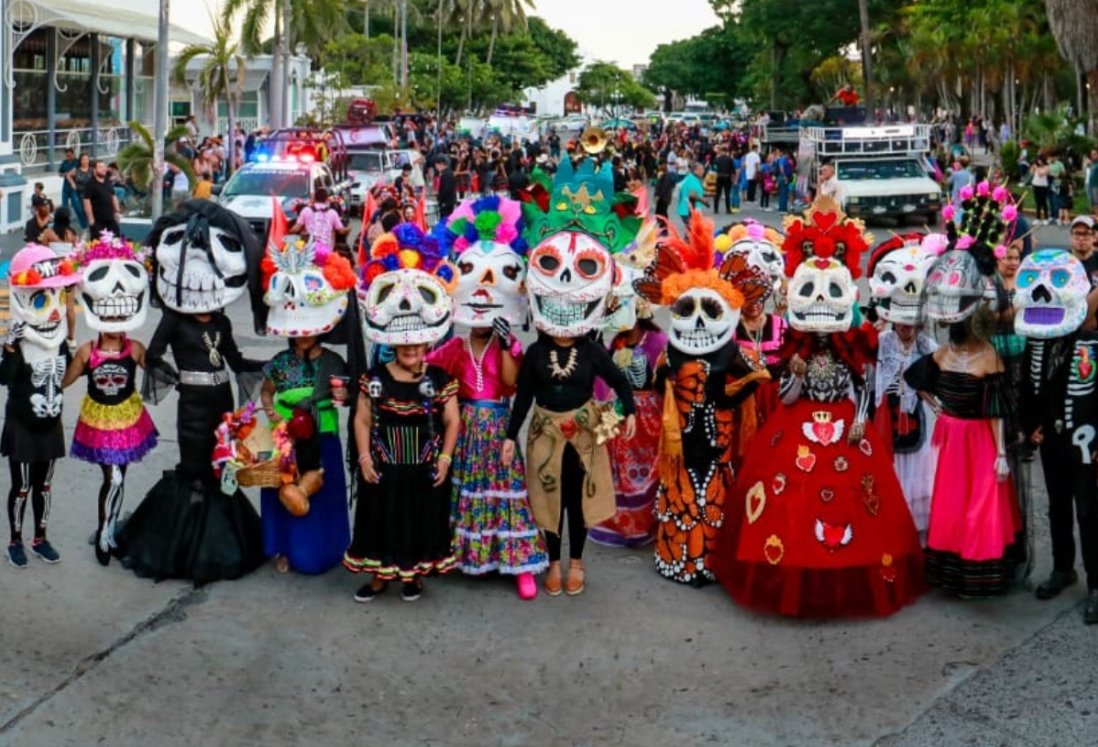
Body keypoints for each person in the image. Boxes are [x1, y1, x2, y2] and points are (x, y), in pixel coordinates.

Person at [712, 196, 925, 617]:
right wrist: (793, 370)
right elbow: (789, 395)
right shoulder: (797, 348)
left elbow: (862, 386)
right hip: (797, 424)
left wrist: (862, 420)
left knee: (858, 508)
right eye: (810, 289)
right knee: (786, 505)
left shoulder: (851, 346)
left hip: (847, 428)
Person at [116, 201, 267, 584]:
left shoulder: (222, 320)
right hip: (193, 408)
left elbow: (233, 360)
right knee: (195, 471)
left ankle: (219, 545)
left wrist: (264, 368)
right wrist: (178, 379)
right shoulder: (173, 318)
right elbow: (151, 356)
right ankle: (187, 551)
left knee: (221, 468)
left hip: (222, 404)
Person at [906, 186, 1023, 597]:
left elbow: (996, 412)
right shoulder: (941, 355)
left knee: (981, 504)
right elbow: (915, 380)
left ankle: (981, 572)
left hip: (979, 442)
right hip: (952, 438)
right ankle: (951, 573)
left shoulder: (988, 357)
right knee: (953, 505)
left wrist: (1003, 455)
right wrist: (937, 408)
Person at [430, 197, 548, 598]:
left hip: (499, 427)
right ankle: (469, 556)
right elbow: (425, 367)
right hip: (465, 431)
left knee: (508, 496)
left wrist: (504, 342)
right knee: (468, 494)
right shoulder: (456, 347)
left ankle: (519, 565)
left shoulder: (508, 345)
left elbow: (511, 385)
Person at [346, 225, 461, 602]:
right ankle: (379, 578)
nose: (411, 350)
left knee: (420, 522)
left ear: (428, 341)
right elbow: (362, 418)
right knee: (378, 521)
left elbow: (452, 420)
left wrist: (445, 457)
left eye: (417, 345)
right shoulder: (374, 378)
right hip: (383, 464)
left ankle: (413, 577)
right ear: (392, 344)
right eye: (403, 345)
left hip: (424, 467)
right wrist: (364, 456)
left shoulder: (440, 378)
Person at [62, 237, 158, 566]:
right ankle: (104, 535)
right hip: (99, 420)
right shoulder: (88, 351)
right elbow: (66, 380)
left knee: (122, 477)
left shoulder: (136, 348)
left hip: (128, 419)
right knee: (112, 478)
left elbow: (160, 373)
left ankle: (110, 531)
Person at [1015, 249, 1098, 624]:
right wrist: (1029, 424)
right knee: (1057, 506)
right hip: (1049, 438)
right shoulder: (1038, 336)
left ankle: (1097, 583)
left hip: (1085, 440)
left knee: (1089, 510)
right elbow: (1030, 387)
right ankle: (1064, 568)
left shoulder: (1090, 341)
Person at [2, 245, 81, 568]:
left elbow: (73, 370)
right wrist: (9, 347)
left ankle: (41, 538)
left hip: (50, 424)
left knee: (44, 486)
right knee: (21, 487)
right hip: (21, 424)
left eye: (55, 299)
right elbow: (4, 378)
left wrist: (74, 334)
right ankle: (15, 541)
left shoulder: (60, 338)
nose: (51, 312)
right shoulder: (17, 342)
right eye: (40, 300)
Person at [83, 160, 121, 239]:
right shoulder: (90, 184)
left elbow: (113, 196)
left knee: (116, 240)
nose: (104, 169)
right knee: (98, 244)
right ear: (94, 170)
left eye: (104, 167)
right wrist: (91, 220)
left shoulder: (107, 181)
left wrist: (117, 211)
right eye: (100, 167)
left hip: (110, 219)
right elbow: (87, 202)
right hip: (98, 221)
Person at [677, 161, 706, 231]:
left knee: (690, 231)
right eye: (701, 169)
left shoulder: (691, 178)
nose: (703, 171)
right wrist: (703, 200)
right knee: (692, 231)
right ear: (695, 170)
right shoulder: (692, 179)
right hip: (688, 210)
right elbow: (692, 194)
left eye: (703, 169)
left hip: (687, 210)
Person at [58, 149, 83, 227]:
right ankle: (65, 222)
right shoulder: (64, 163)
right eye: (67, 156)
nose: (68, 157)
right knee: (64, 205)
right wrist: (64, 174)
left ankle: (82, 220)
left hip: (74, 186)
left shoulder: (77, 162)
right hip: (65, 187)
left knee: (76, 204)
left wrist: (70, 174)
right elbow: (59, 173)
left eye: (69, 155)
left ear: (73, 154)